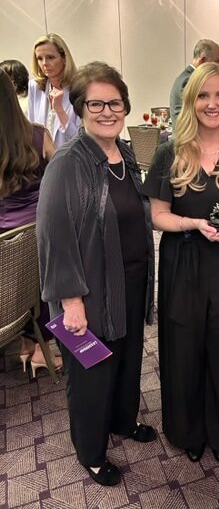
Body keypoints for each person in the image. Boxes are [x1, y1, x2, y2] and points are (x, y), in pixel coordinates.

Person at [36, 61, 156, 487]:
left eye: (116, 103)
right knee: (91, 373)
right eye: (96, 104)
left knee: (126, 360)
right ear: (80, 107)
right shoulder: (69, 161)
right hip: (88, 289)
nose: (107, 111)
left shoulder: (123, 152)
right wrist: (70, 301)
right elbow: (54, 235)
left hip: (130, 280)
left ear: (126, 106)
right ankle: (91, 451)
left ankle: (122, 421)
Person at [143, 62, 219, 463]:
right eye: (203, 96)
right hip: (184, 260)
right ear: (190, 101)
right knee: (183, 347)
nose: (213, 104)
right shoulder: (169, 154)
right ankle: (188, 430)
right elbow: (157, 215)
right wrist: (192, 223)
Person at [0, 67, 60, 375]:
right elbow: (63, 180)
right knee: (36, 272)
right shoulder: (38, 136)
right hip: (39, 240)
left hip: (4, 259)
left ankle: (22, 344)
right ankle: (39, 345)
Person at [28, 33, 81, 147]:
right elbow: (32, 131)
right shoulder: (35, 87)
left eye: (50, 57)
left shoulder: (79, 89)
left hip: (69, 158)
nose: (44, 63)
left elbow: (79, 140)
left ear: (64, 59)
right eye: (40, 58)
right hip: (42, 160)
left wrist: (59, 109)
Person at [169, 39, 219, 132]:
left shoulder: (186, 77)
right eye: (217, 61)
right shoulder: (189, 80)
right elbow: (196, 117)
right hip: (187, 141)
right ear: (203, 60)